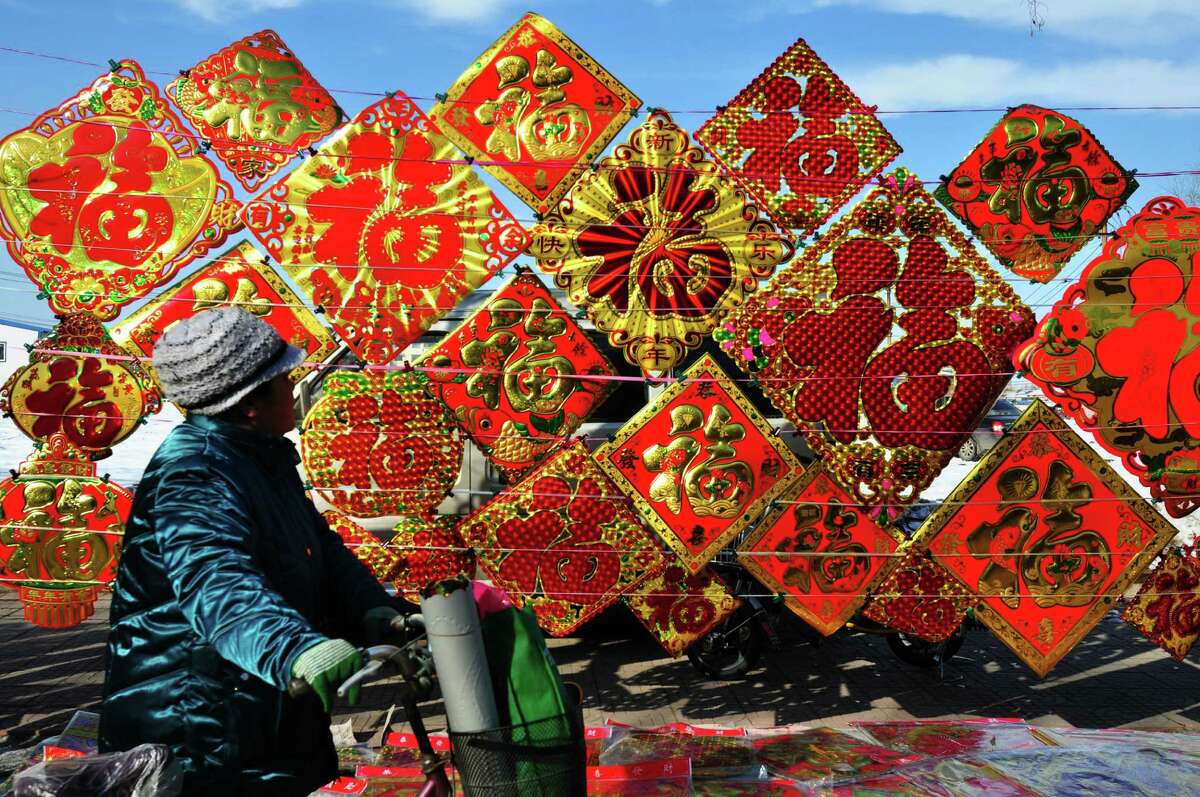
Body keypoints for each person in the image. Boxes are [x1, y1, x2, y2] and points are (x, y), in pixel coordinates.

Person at [100, 307, 409, 795]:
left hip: (262, 703)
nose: (294, 387)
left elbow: (317, 547)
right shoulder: (195, 471)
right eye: (285, 378)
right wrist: (293, 648)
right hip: (201, 720)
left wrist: (374, 608)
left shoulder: (261, 455)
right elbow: (215, 579)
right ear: (249, 404)